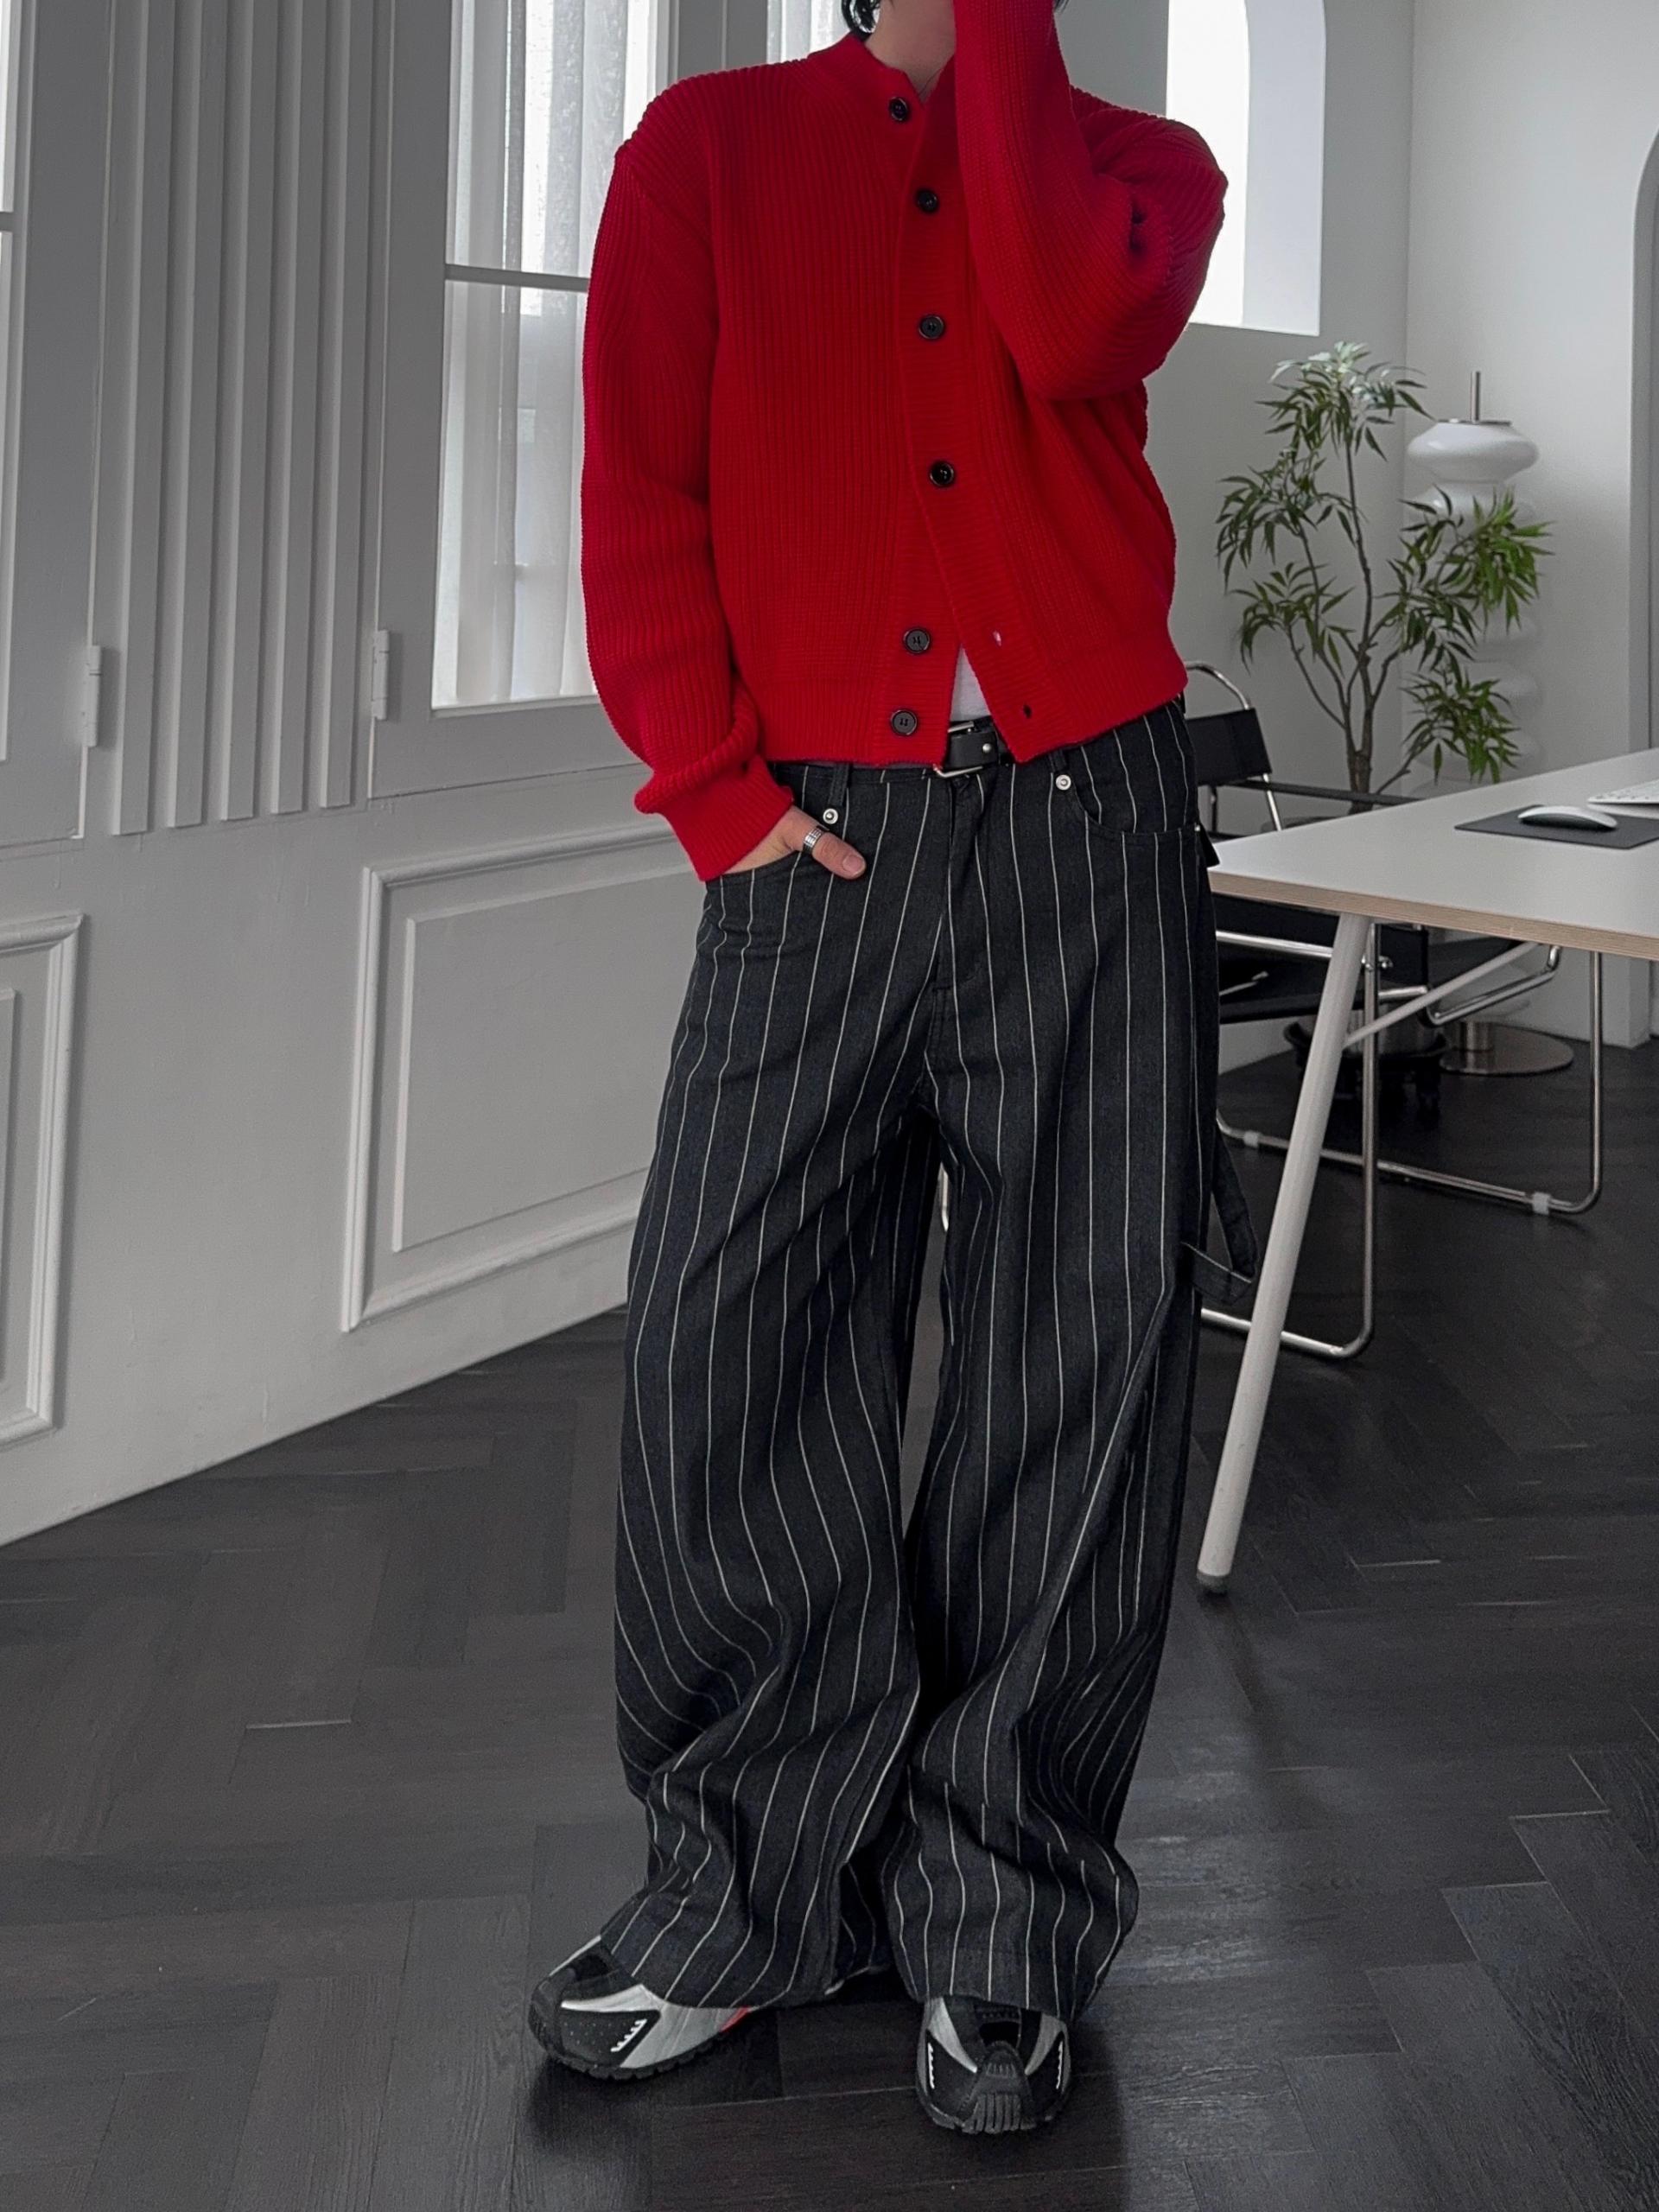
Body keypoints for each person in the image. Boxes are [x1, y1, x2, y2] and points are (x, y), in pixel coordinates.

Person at [528, 0, 1256, 2137]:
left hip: (1093, 817)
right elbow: (643, 485)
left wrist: (999, 36)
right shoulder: (703, 152)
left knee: (1080, 1353)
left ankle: (1000, 1911)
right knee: (727, 1338)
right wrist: (716, 791)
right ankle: (744, 1892)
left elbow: (1059, 320)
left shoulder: (1142, 169)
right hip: (810, 834)